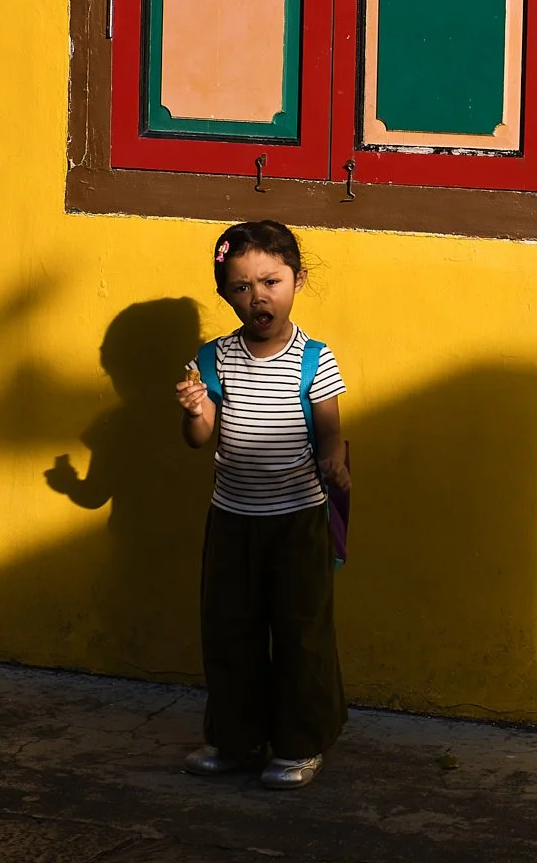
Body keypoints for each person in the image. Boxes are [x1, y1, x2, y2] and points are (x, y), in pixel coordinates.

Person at [174, 219, 351, 788]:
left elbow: (328, 432)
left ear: (297, 280)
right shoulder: (213, 358)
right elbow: (201, 439)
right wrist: (195, 407)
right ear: (226, 293)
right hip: (231, 522)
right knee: (230, 632)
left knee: (301, 636)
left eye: (271, 281)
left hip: (298, 524)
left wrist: (334, 460)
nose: (259, 297)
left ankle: (299, 746)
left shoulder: (315, 360)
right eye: (242, 286)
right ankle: (236, 741)